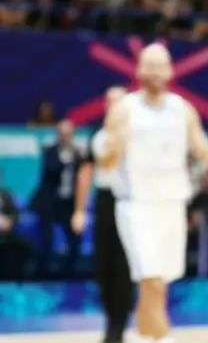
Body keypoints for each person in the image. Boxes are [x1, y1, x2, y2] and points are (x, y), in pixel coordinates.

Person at [100, 44, 208, 343]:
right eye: (148, 65)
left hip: (173, 205)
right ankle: (163, 338)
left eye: (160, 65)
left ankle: (143, 336)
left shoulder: (183, 110)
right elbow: (106, 163)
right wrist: (115, 147)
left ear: (170, 70)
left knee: (160, 282)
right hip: (136, 206)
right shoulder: (124, 109)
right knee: (150, 278)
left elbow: (203, 150)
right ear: (138, 70)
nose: (154, 72)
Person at [72, 86, 134, 343]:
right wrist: (79, 210)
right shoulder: (97, 134)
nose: (114, 106)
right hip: (105, 203)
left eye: (119, 102)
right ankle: (110, 320)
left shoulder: (136, 132)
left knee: (124, 266)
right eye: (110, 102)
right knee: (103, 265)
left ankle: (119, 326)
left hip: (130, 202)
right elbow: (86, 172)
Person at [31, 118, 87, 276]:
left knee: (76, 235)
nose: (65, 137)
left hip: (69, 203)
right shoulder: (50, 151)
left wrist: (78, 158)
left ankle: (70, 270)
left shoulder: (78, 153)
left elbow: (84, 176)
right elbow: (51, 170)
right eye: (62, 134)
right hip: (50, 202)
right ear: (58, 134)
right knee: (47, 237)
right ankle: (43, 271)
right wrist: (66, 161)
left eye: (68, 134)